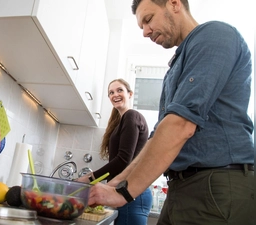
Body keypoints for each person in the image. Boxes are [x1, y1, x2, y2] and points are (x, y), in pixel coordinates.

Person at [87, 0, 255, 225]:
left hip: (216, 185)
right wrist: (115, 183)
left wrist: (123, 194)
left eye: (148, 20)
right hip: (180, 187)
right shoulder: (177, 65)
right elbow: (158, 137)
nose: (145, 32)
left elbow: (181, 126)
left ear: (174, 4)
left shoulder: (215, 35)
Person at [77, 78, 152, 225]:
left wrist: (89, 178)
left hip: (133, 192)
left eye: (119, 90)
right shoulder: (121, 122)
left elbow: (123, 160)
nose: (115, 95)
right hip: (127, 190)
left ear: (130, 94)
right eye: (111, 92)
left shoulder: (132, 116)